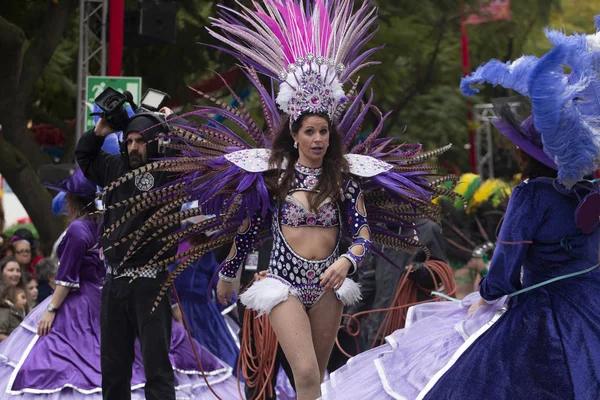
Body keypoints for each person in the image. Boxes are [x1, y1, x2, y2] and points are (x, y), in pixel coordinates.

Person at [322, 23, 600, 399]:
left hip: (540, 320)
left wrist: (485, 295)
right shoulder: (589, 194)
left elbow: (505, 264)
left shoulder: (531, 195)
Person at [0, 168, 240, 399]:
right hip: (108, 294)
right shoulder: (107, 224)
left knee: (76, 358)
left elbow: (67, 277)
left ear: (71, 200)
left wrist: (51, 309)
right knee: (117, 355)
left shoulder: (77, 229)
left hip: (80, 300)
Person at [75, 106, 183, 400]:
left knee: (157, 368)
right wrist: (98, 133)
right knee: (113, 368)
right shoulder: (113, 167)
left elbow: (197, 158)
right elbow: (84, 157)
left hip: (150, 285)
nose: (134, 146)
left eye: (141, 141)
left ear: (156, 142)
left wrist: (173, 125)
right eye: (130, 140)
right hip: (114, 284)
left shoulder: (169, 171)